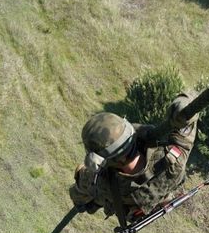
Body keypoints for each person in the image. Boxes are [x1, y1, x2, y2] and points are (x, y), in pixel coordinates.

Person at [69, 93, 198, 225]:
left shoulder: (104, 185)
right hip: (157, 194)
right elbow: (189, 111)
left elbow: (84, 180)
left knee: (84, 187)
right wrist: (179, 107)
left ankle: (88, 204)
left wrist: (80, 197)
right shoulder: (175, 160)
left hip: (113, 197)